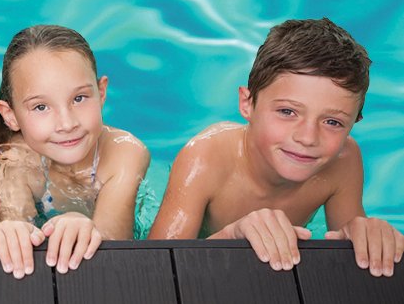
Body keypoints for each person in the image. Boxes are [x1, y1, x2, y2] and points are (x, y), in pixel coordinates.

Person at [149, 18, 404, 277]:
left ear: (353, 124)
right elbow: (156, 269)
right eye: (287, 111)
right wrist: (229, 237)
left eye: (332, 122)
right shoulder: (206, 156)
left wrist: (365, 236)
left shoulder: (343, 160)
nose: (307, 137)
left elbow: (349, 258)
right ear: (247, 103)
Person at [0, 25, 150, 279]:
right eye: (41, 107)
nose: (67, 123)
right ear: (11, 116)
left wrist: (85, 225)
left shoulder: (125, 153)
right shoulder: (15, 158)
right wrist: (10, 231)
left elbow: (116, 244)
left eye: (79, 98)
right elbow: (16, 226)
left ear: (101, 92)